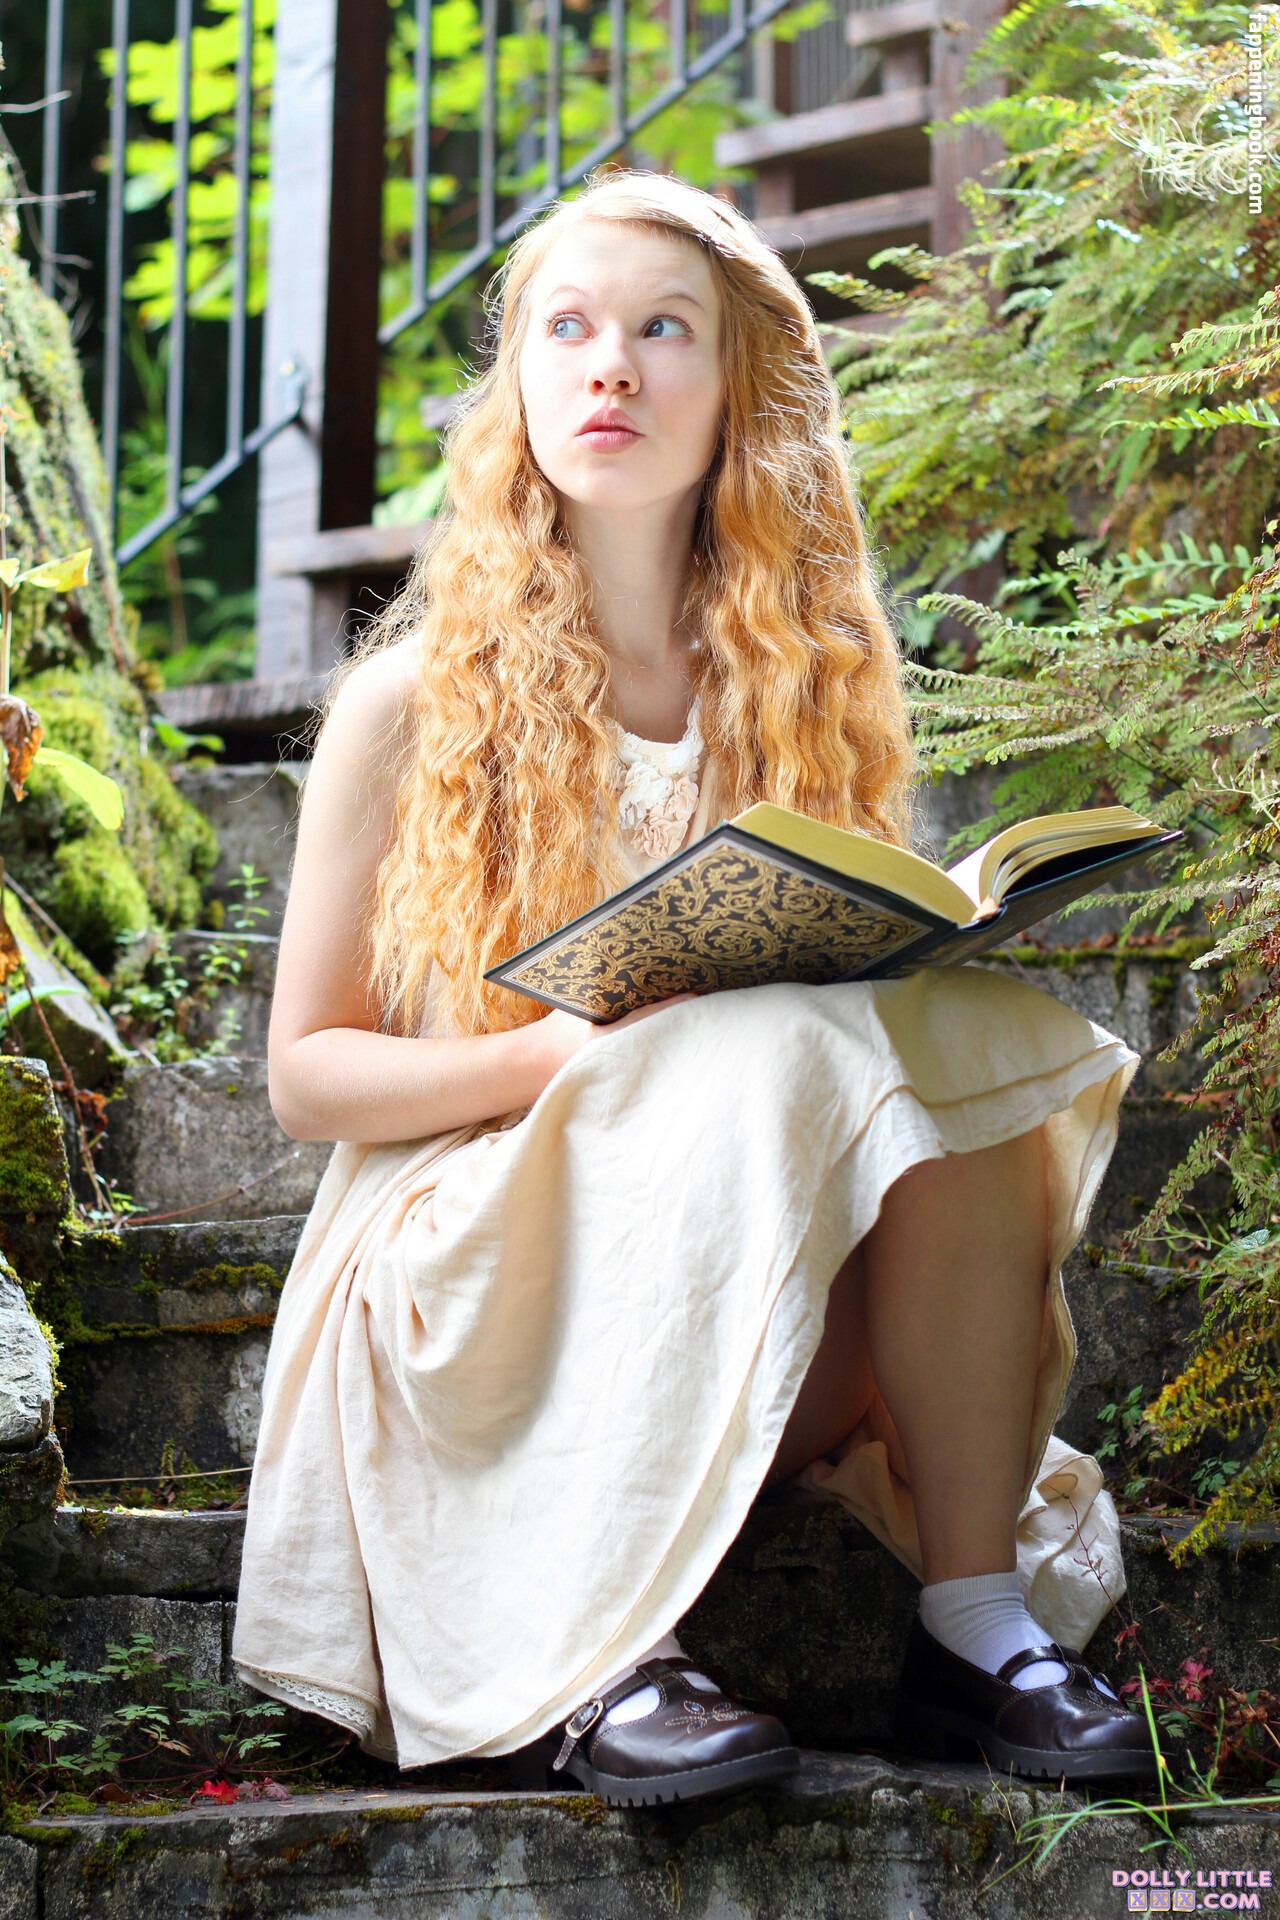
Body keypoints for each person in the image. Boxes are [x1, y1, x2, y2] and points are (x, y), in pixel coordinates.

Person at [232, 169, 1156, 1804]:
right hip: (470, 1274)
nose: (612, 365)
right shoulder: (408, 706)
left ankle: (976, 1627)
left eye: (665, 330)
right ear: (519, 386)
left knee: (953, 1046)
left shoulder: (797, 694)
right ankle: (599, 1661)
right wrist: (556, 1060)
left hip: (740, 1261)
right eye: (568, 329)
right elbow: (307, 1077)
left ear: (740, 392)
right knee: (763, 1059)